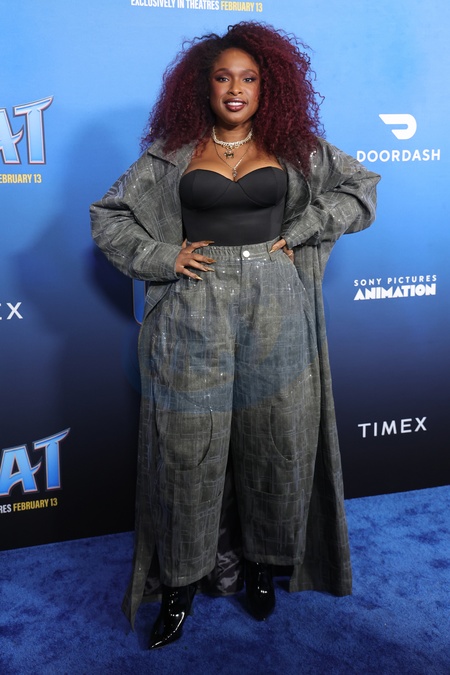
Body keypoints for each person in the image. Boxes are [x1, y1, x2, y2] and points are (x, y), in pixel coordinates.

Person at [90, 21, 380, 650]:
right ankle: (179, 585)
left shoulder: (296, 148)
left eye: (248, 78)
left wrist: (303, 229)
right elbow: (109, 216)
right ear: (204, 86)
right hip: (193, 309)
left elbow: (361, 190)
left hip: (276, 302)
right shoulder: (172, 152)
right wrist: (163, 257)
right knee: (186, 449)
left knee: (276, 438)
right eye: (223, 77)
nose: (236, 89)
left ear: (268, 86)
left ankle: (261, 567)